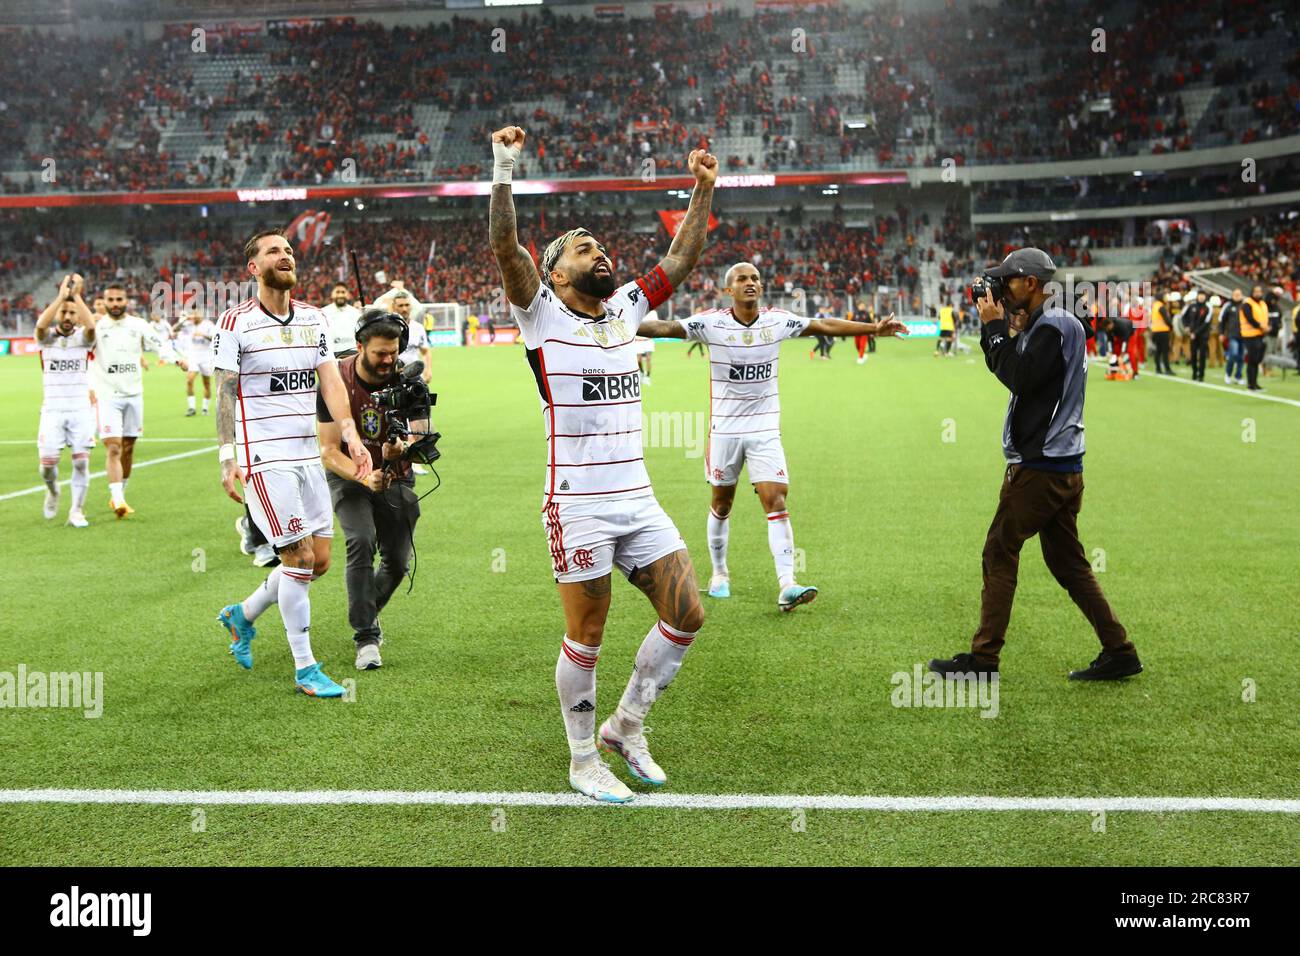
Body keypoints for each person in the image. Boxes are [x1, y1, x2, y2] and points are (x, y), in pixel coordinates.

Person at [489, 124, 715, 803]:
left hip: (637, 497)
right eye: (584, 247)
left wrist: (702, 190)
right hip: (577, 503)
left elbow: (680, 260)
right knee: (586, 634)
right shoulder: (540, 313)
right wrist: (503, 165)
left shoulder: (624, 310)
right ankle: (583, 758)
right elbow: (505, 245)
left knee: (687, 614)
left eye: (603, 245)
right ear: (556, 272)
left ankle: (625, 725)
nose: (601, 252)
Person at [639, 261, 907, 609]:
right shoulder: (711, 323)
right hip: (725, 430)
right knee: (722, 503)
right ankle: (720, 573)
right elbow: (664, 327)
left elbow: (823, 324)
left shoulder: (777, 320)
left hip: (765, 428)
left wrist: (874, 328)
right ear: (728, 289)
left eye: (755, 279)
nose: (750, 283)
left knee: (776, 501)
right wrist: (610, 320)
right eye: (742, 279)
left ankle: (787, 584)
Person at [930, 248, 1141, 682]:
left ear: (1030, 282)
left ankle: (984, 661)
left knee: (999, 550)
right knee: (1068, 564)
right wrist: (1008, 331)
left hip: (1041, 467)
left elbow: (1019, 378)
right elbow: (1019, 370)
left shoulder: (1055, 324)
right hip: (1061, 464)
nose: (1001, 290)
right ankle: (1119, 650)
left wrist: (993, 329)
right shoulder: (1052, 323)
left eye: (1008, 281)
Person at [213, 229, 374, 698]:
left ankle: (242, 616)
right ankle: (306, 669)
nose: (285, 256)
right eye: (273, 251)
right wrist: (228, 457)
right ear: (253, 268)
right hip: (266, 458)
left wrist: (351, 436)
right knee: (298, 558)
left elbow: (331, 382)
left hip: (308, 454)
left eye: (288, 250)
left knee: (318, 561)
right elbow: (225, 391)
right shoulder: (235, 322)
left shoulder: (313, 317)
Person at [317, 309, 429, 671]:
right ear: (359, 346)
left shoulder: (410, 381)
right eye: (380, 353)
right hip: (349, 475)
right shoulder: (336, 380)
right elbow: (329, 451)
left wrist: (404, 449)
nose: (388, 361)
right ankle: (366, 636)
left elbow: (423, 436)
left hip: (396, 476)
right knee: (360, 539)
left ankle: (366, 611)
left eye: (393, 352)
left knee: (397, 563)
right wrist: (365, 476)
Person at [91, 283, 185, 517]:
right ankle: (118, 498)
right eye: (110, 300)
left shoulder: (138, 325)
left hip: (133, 394)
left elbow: (159, 345)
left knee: (129, 447)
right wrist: (88, 386)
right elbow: (84, 356)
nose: (114, 304)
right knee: (113, 446)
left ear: (126, 301)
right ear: (104, 301)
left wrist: (176, 359)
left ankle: (120, 493)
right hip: (107, 396)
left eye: (119, 299)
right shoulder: (96, 327)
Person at [34, 274, 95, 528]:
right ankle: (54, 491)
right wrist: (61, 297)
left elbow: (91, 327)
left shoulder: (83, 338)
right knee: (47, 466)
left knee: (80, 462)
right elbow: (39, 326)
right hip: (53, 410)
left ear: (78, 316)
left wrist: (77, 296)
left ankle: (76, 510)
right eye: (64, 313)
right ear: (58, 314)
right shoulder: (46, 338)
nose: (68, 317)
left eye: (72, 313)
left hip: (80, 408)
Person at [177, 308, 216, 416]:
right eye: (193, 314)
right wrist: (184, 319)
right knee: (189, 380)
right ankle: (191, 408)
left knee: (206, 384)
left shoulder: (208, 325)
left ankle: (205, 408)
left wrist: (203, 335)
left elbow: (215, 338)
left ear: (202, 315)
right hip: (193, 356)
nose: (194, 316)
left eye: (196, 314)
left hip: (206, 357)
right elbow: (174, 329)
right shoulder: (189, 324)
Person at [1242, 284, 1271, 391]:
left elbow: (1266, 317)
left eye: (1260, 291)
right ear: (1252, 292)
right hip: (1250, 335)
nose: (1258, 293)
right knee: (1253, 360)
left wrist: (1267, 327)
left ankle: (1255, 383)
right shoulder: (1247, 303)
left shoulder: (1262, 303)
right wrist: (1261, 327)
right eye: (1256, 291)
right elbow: (1250, 318)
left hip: (1261, 335)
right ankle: (1251, 384)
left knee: (1257, 360)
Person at [321, 282, 361, 358]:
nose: (340, 295)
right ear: (332, 294)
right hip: (332, 353)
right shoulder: (323, 312)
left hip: (353, 352)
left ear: (348, 295)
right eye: (337, 292)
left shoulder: (356, 313)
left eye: (343, 292)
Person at [1180, 289, 1211, 382]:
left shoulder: (1208, 308)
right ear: (1197, 296)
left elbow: (1206, 323)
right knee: (1193, 354)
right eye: (1200, 295)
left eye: (1203, 295)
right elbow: (1183, 317)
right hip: (1192, 335)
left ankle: (1201, 375)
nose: (1201, 297)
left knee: (1202, 355)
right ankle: (1194, 372)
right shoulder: (1192, 306)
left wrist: (1195, 332)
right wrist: (1186, 327)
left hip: (1203, 335)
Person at [1219, 289, 1248, 386]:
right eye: (1235, 294)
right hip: (1233, 335)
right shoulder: (1228, 305)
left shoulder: (1245, 305)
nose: (1237, 296)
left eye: (1239, 294)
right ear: (1232, 295)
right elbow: (1222, 320)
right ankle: (1228, 374)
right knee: (1233, 354)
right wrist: (1221, 333)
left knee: (1241, 357)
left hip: (1244, 335)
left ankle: (1238, 376)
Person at [1149, 290, 1173, 374]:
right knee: (1165, 351)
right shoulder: (1161, 306)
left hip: (1155, 331)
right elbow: (1167, 319)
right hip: (1163, 331)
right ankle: (1167, 369)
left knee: (1158, 351)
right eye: (1165, 296)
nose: (1166, 298)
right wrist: (1171, 326)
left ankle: (1158, 369)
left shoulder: (1155, 305)